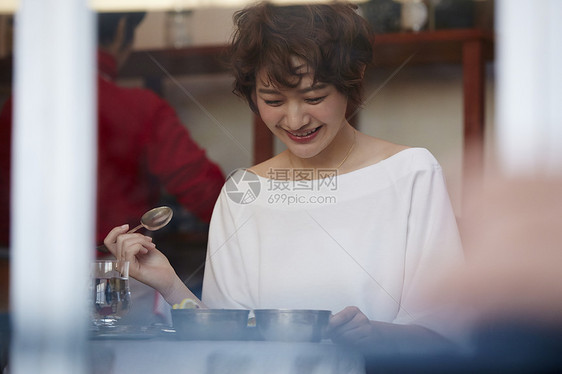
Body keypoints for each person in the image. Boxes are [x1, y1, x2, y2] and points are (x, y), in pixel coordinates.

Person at [104, 1, 463, 354]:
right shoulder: (243, 192)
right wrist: (169, 284)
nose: (294, 120)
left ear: (351, 83)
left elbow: (449, 333)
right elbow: (228, 340)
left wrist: (376, 336)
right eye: (273, 101)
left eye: (314, 96)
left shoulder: (411, 172)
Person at [0, 12, 225, 324]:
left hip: (28, 280)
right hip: (118, 280)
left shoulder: (20, 104)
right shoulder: (141, 107)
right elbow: (207, 193)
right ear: (121, 29)